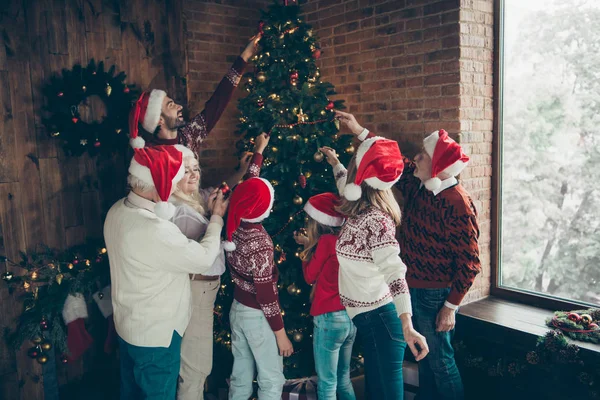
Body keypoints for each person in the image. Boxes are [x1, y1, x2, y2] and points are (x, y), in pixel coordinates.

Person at [333, 111, 481, 400]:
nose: (416, 158)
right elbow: (389, 164)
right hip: (409, 288)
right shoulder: (419, 185)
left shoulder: (458, 204)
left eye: (424, 155)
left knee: (441, 365)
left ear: (438, 167)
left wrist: (451, 306)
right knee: (425, 363)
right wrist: (359, 131)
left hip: (436, 297)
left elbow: (470, 263)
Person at [103, 145, 229, 400]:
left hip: (128, 326)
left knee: (131, 392)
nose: (173, 187)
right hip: (156, 335)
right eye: (172, 180)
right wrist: (216, 218)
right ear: (156, 184)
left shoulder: (117, 209)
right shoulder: (154, 228)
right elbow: (204, 258)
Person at [319, 135, 429, 400]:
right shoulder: (359, 208)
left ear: (363, 173)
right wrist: (335, 162)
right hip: (368, 320)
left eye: (356, 161)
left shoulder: (376, 221)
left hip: (383, 320)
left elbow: (395, 272)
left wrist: (407, 324)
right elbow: (345, 184)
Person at [170, 136, 270, 400]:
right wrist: (216, 215)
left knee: (197, 363)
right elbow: (200, 257)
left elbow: (219, 191)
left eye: (194, 168)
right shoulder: (180, 212)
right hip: (196, 290)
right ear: (172, 176)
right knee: (197, 365)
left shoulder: (194, 198)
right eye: (185, 170)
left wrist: (243, 168)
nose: (193, 174)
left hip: (204, 292)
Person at [223, 134, 293, 400]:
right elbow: (265, 295)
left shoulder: (235, 218)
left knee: (240, 376)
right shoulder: (261, 242)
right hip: (257, 316)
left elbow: (248, 187)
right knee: (271, 379)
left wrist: (259, 151)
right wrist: (281, 334)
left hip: (237, 311)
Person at [128, 35, 261, 156]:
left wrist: (245, 56)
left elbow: (218, 100)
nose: (179, 106)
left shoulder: (189, 135)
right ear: (159, 120)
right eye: (171, 105)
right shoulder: (153, 156)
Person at [293, 193, 356, 400]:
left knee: (327, 384)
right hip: (351, 316)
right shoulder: (349, 236)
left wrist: (304, 248)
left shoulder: (327, 241)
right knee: (343, 380)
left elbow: (310, 276)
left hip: (329, 318)